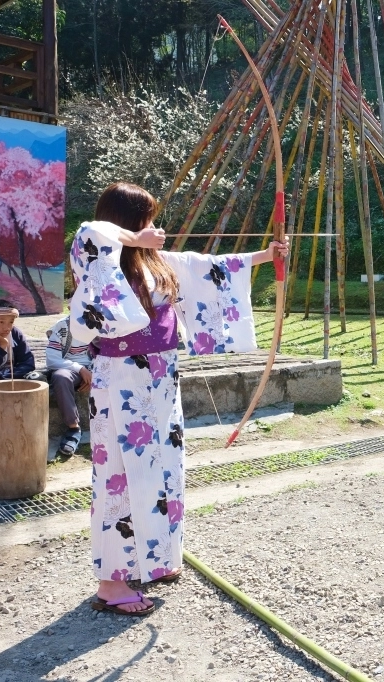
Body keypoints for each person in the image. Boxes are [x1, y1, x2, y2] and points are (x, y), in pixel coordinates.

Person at [69, 182, 288, 616]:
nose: (154, 227)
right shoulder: (98, 254)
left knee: (163, 470)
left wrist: (267, 256)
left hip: (160, 378)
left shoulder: (154, 260)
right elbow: (92, 233)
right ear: (128, 222)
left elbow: (205, 267)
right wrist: (136, 239)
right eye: (146, 219)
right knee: (121, 474)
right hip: (122, 382)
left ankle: (156, 558)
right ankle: (111, 584)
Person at [44, 316, 94, 457]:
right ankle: (73, 428)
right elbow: (52, 359)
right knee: (60, 377)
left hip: (96, 368)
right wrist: (81, 370)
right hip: (68, 368)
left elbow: (106, 354)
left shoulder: (102, 324)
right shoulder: (63, 326)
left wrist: (93, 375)